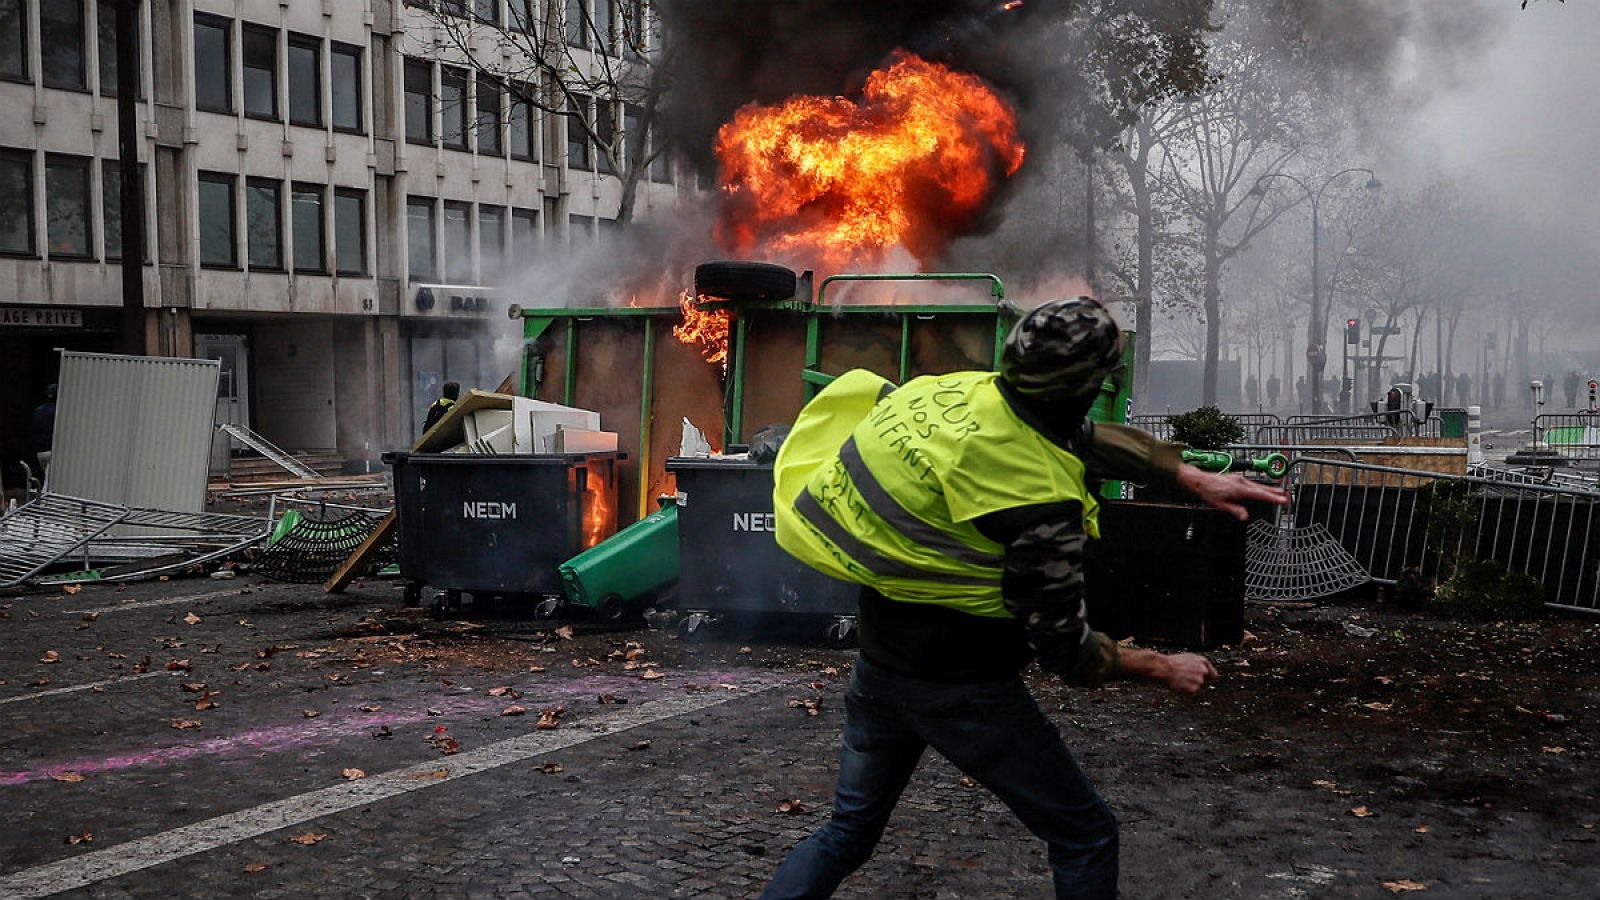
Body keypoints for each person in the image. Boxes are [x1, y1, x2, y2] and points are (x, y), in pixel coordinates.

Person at [762, 297, 1289, 900]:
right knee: (1085, 834)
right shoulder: (1038, 500)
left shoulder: (957, 394)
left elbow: (1075, 432)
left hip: (880, 665)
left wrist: (1185, 473)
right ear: (1087, 385)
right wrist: (1164, 666)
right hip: (964, 688)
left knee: (847, 833)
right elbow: (1067, 649)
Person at [31, 384, 57, 474]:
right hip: (53, 451)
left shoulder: (37, 411)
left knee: (48, 480)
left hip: (40, 452)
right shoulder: (57, 411)